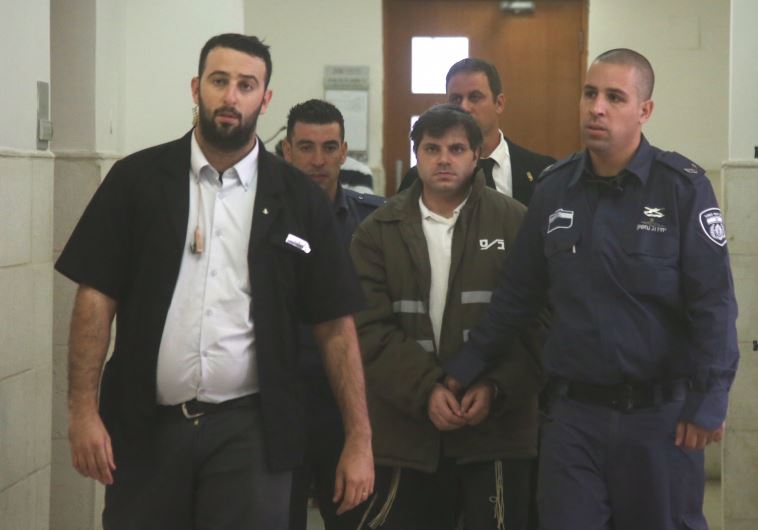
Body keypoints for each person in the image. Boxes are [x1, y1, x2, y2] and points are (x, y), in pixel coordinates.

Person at [55, 33, 373, 529]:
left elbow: (335, 325)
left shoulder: (299, 198)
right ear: (196, 87)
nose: (231, 97)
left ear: (265, 98)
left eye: (246, 85)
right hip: (146, 429)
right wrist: (82, 412)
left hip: (252, 434)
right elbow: (95, 298)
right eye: (219, 81)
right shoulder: (136, 180)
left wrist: (359, 439)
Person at [443, 49, 739, 530]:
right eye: (589, 94)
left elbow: (714, 304)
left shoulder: (681, 189)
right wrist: (462, 372)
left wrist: (710, 399)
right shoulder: (554, 189)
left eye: (614, 97)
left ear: (644, 110)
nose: (596, 108)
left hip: (659, 419)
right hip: (573, 420)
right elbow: (517, 297)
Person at [351, 104, 546, 530]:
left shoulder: (516, 223)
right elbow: (367, 329)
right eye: (432, 148)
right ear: (416, 154)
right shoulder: (376, 231)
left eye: (456, 149)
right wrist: (427, 390)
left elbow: (539, 323)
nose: (444, 159)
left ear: (477, 155)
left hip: (497, 431)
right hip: (405, 432)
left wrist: (495, 387)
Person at [281, 98, 385, 530]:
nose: (318, 160)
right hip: (281, 399)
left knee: (353, 519)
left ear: (344, 152)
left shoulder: (373, 222)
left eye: (328, 147)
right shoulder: (262, 220)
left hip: (348, 400)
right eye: (306, 147)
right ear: (286, 150)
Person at [398, 58, 554, 206]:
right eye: (456, 99)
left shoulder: (542, 171)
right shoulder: (418, 178)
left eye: (475, 97)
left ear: (499, 103)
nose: (464, 107)